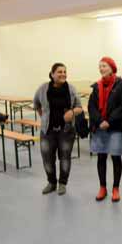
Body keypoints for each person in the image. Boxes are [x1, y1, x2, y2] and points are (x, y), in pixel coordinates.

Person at [33, 63, 83, 195]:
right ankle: (51, 182)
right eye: (59, 72)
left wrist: (72, 112)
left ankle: (62, 183)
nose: (63, 74)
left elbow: (79, 107)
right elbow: (36, 103)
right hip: (47, 131)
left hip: (66, 130)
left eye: (65, 72)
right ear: (52, 74)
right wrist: (44, 117)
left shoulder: (71, 89)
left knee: (65, 157)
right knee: (47, 158)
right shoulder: (43, 88)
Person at [88, 57, 122, 203]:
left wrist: (109, 121)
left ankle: (115, 188)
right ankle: (102, 187)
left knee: (115, 157)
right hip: (100, 127)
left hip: (115, 126)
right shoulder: (96, 86)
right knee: (101, 157)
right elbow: (91, 107)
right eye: (100, 66)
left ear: (112, 68)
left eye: (104, 66)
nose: (101, 68)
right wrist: (100, 121)